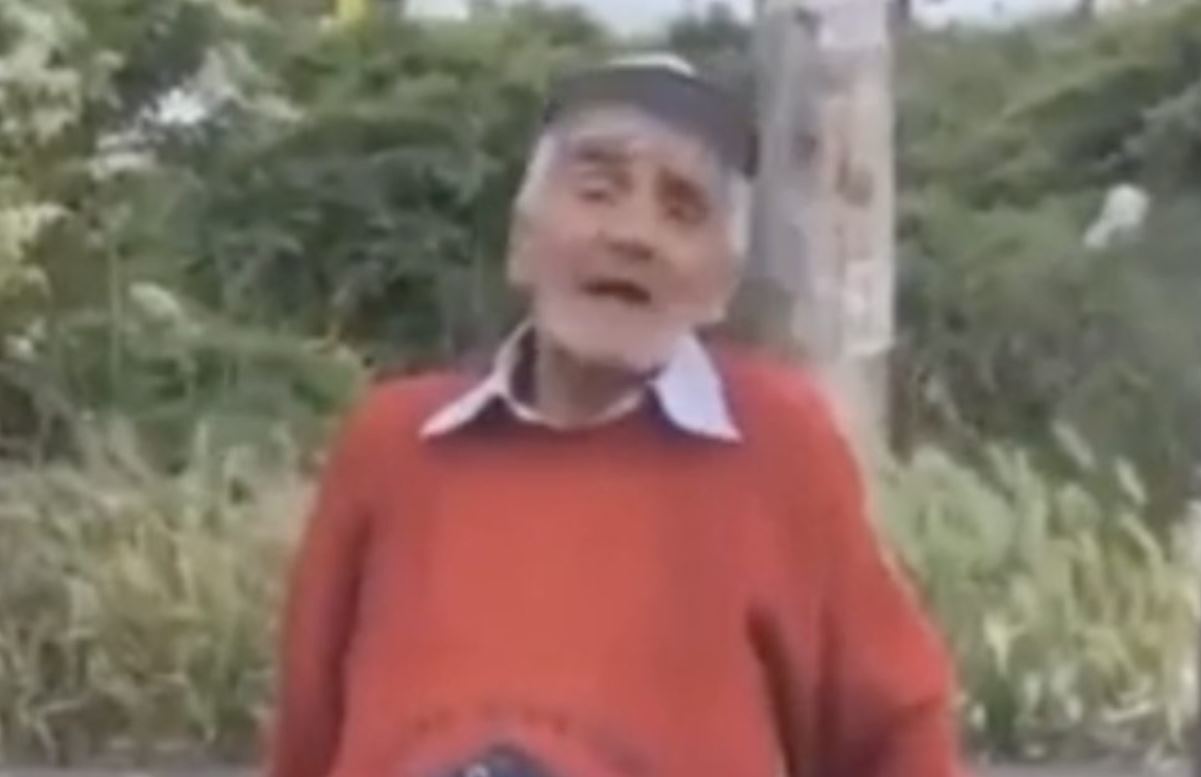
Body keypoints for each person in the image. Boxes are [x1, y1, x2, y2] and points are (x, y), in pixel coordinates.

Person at [268, 54, 964, 777]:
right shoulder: (393, 443)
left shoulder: (779, 445)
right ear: (523, 241)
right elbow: (306, 731)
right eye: (598, 190)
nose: (634, 234)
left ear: (720, 284)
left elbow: (898, 726)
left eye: (681, 210)